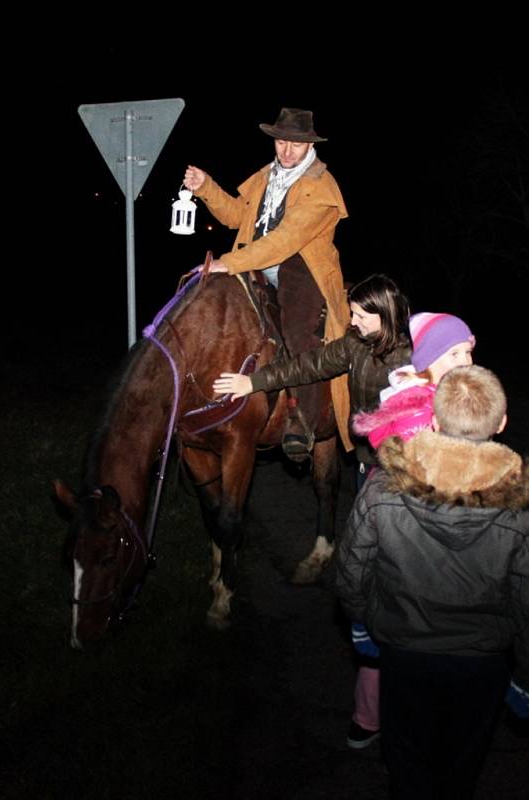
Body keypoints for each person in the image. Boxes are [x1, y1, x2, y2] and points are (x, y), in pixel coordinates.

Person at [213, 272, 412, 750]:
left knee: (399, 574)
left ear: (383, 315)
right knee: (372, 571)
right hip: (370, 467)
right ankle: (377, 680)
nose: (350, 319)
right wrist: (252, 382)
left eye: (359, 313)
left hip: (407, 473)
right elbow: (307, 365)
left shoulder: (410, 359)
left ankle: (406, 679)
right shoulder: (354, 346)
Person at [336, 365, 529, 799]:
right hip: (481, 663)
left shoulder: (383, 487)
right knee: (461, 764)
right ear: (501, 424)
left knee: (406, 759)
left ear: (436, 421)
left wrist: (360, 622)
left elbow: (351, 569)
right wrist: (526, 677)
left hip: (405, 652)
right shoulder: (520, 506)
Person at [184, 107, 351, 459]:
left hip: (301, 264)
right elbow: (235, 216)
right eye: (282, 143)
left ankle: (302, 420)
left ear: (310, 145)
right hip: (253, 259)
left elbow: (285, 241)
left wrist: (227, 263)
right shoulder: (265, 176)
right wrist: (205, 187)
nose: (288, 151)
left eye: (296, 145)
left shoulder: (322, 185)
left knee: (298, 327)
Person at [352, 311, 475, 447]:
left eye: (468, 352)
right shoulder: (418, 413)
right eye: (454, 354)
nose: (466, 361)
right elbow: (412, 464)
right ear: (429, 359)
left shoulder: (449, 392)